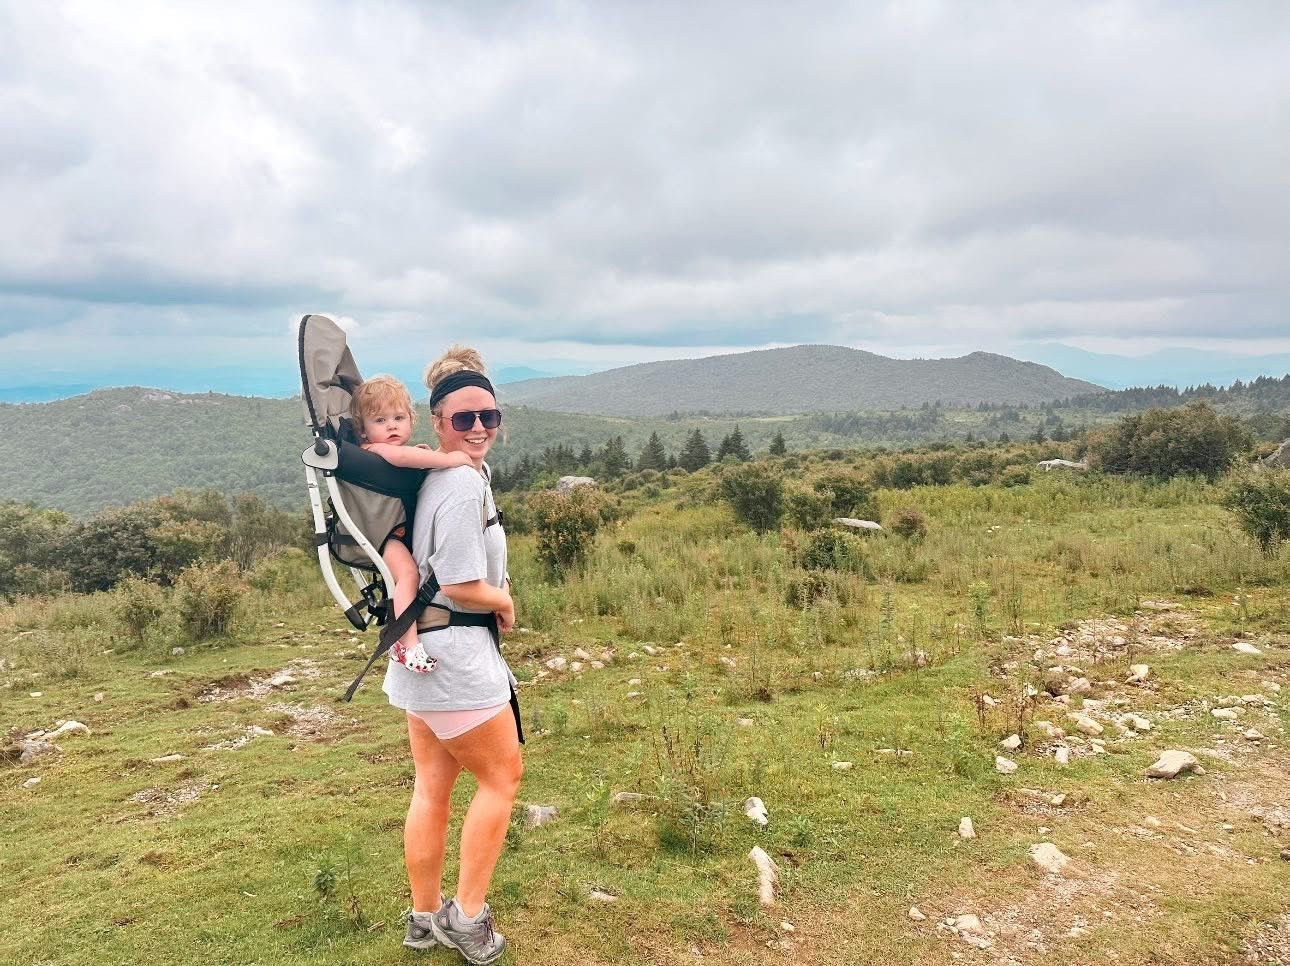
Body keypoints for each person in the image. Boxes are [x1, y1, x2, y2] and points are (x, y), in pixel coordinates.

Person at [384, 347, 520, 965]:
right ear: (436, 421)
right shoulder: (462, 483)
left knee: (432, 786)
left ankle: (422, 918)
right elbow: (465, 583)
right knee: (501, 778)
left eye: (488, 417)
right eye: (463, 419)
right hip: (457, 660)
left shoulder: (436, 475)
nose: (478, 430)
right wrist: (505, 602)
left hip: (421, 656)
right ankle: (466, 920)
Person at [350, 375, 471, 671]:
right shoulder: (375, 451)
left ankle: (405, 639)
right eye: (380, 420)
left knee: (412, 574)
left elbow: (408, 459)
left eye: (398, 417)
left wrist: (423, 454)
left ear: (411, 419)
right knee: (407, 576)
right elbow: (403, 458)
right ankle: (407, 645)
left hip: (392, 528)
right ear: (362, 430)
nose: (391, 425)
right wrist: (454, 459)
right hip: (380, 533)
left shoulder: (392, 451)